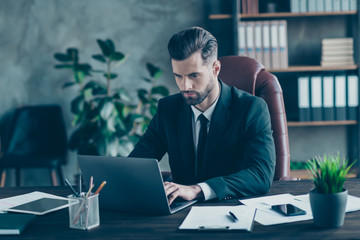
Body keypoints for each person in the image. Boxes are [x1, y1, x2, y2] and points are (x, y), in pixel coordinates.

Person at [129, 26, 275, 204]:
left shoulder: (252, 109)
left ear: (215, 68)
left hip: (232, 210)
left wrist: (198, 190)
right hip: (179, 215)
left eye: (194, 75)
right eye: (178, 76)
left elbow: (260, 174)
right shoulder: (168, 109)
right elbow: (136, 166)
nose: (185, 86)